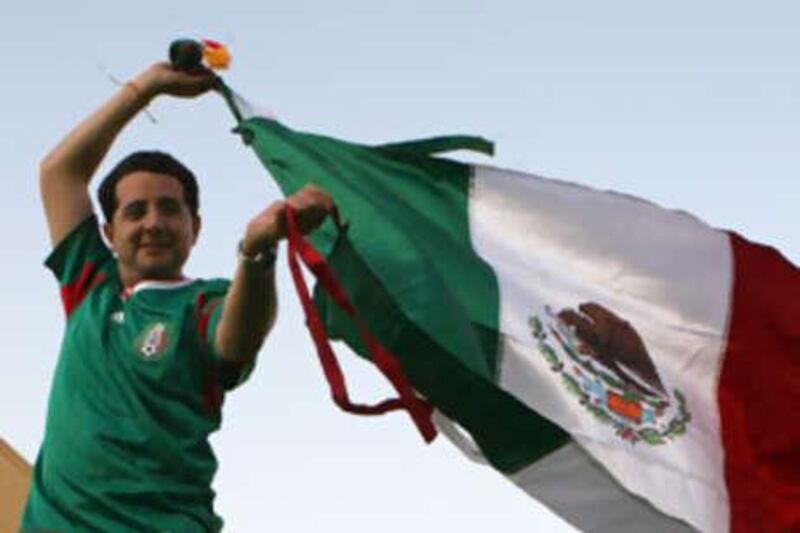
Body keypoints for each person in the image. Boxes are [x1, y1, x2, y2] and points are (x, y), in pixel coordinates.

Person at [21, 62, 333, 531]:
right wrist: (149, 86)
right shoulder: (90, 287)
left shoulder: (204, 302)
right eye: (135, 211)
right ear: (108, 231)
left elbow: (235, 342)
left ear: (196, 227)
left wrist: (257, 251)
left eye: (170, 209)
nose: (153, 223)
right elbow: (59, 172)